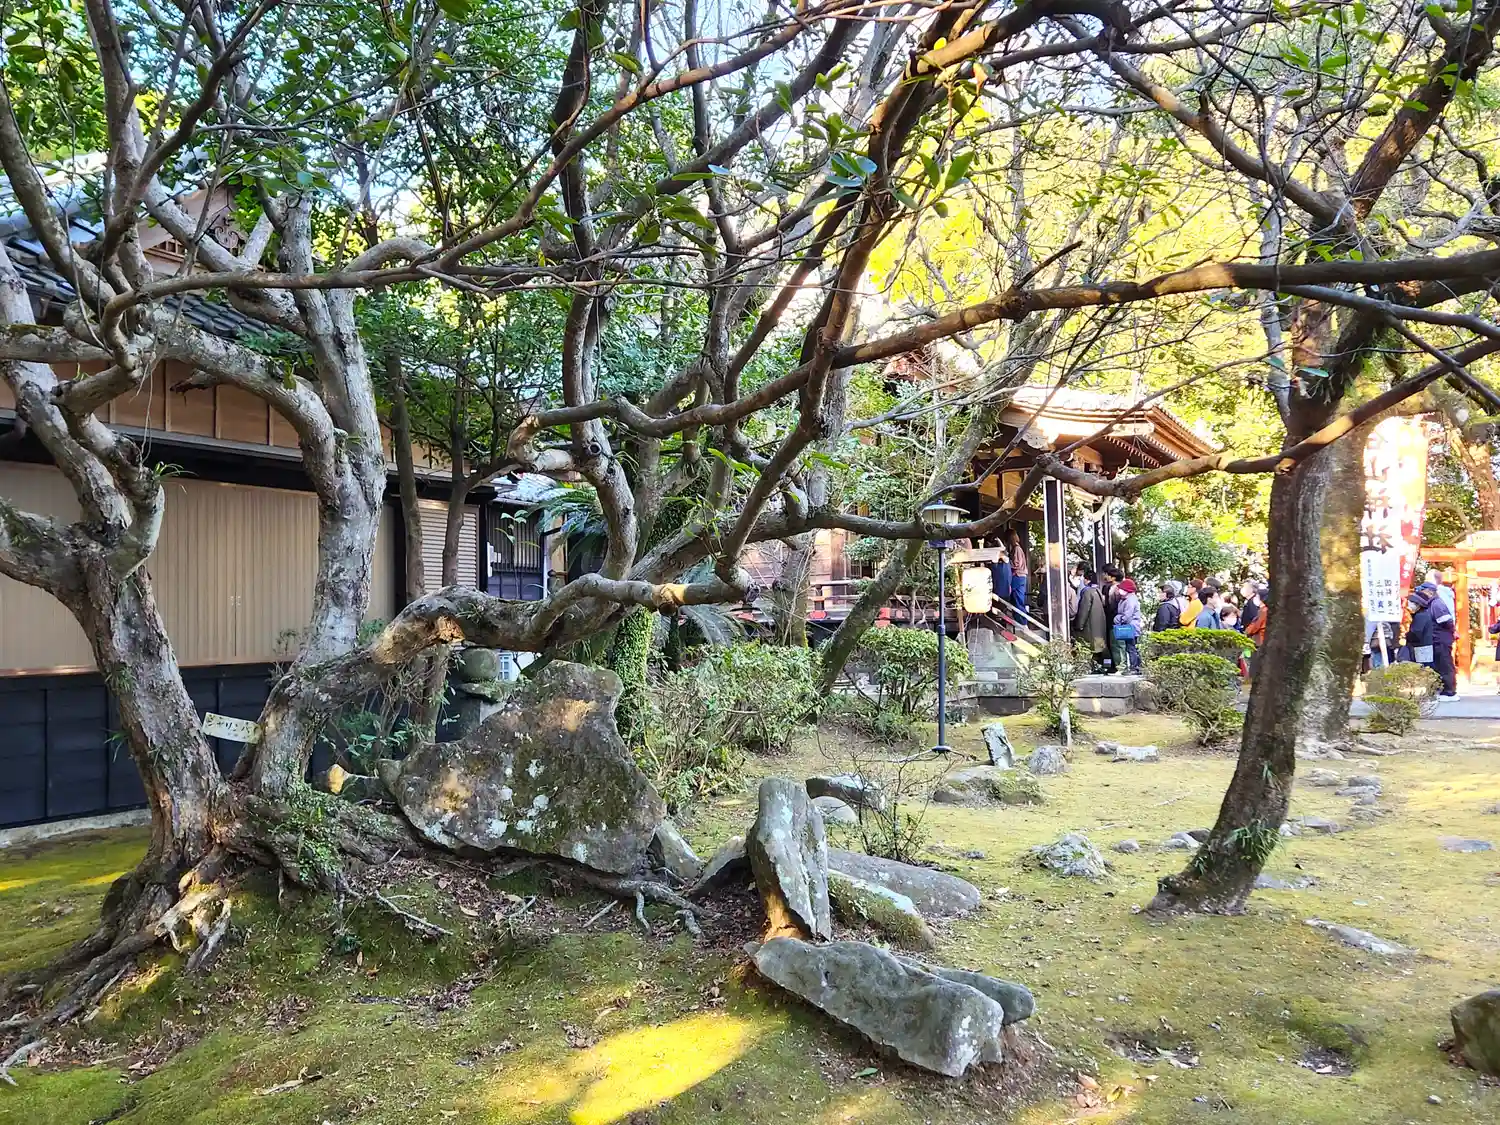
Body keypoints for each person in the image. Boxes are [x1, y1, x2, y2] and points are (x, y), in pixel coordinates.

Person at [1418, 580, 1459, 699]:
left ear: (1429, 592)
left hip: (1441, 639)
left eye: (1422, 591)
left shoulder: (1437, 604)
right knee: (1439, 665)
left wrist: (1444, 635)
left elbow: (1447, 622)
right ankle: (1442, 690)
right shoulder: (1432, 604)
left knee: (1444, 665)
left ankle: (1449, 692)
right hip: (1437, 639)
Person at [1073, 568, 1110, 673]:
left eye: (1084, 578)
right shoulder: (1098, 591)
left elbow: (1084, 610)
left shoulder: (1087, 592)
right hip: (1099, 626)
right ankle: (1102, 667)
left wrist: (1079, 625)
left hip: (1090, 626)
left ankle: (1090, 668)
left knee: (1089, 648)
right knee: (1099, 648)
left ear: (1087, 579)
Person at [1112, 578, 1146, 673]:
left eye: (1121, 588)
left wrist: (1117, 619)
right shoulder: (1126, 599)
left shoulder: (1130, 600)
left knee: (1131, 648)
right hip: (1130, 627)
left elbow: (1127, 616)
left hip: (1130, 627)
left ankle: (1134, 667)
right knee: (1131, 647)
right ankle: (1134, 667)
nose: (1119, 590)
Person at [1007, 528, 1030, 613]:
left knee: (1017, 601)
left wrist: (1007, 561)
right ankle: (1021, 619)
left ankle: (1022, 619)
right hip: (1021, 576)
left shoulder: (1016, 549)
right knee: (1018, 600)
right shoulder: (1017, 548)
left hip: (1018, 576)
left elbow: (1016, 564)